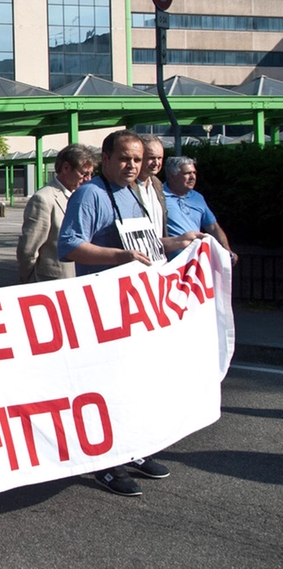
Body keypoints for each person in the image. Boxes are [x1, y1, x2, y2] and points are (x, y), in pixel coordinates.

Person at [58, 129, 202, 497]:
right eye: (124, 158)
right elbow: (70, 245)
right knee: (107, 388)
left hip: (134, 311)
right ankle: (106, 462)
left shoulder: (135, 193)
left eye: (137, 160)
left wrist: (180, 243)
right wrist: (119, 258)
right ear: (104, 159)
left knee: (136, 384)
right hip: (101, 311)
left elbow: (144, 246)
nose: (133, 165)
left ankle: (134, 448)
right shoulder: (91, 194)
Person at [16, 144, 94, 283]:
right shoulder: (43, 199)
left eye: (90, 174)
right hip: (53, 280)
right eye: (84, 174)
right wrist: (28, 277)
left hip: (82, 277)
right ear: (65, 168)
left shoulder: (83, 196)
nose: (88, 179)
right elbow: (29, 248)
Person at [164, 156, 236, 264]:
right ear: (172, 176)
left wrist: (227, 250)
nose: (193, 177)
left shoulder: (197, 198)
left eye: (194, 172)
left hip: (197, 262)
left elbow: (213, 227)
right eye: (187, 173)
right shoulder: (158, 195)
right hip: (170, 265)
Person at [136, 135, 169, 234]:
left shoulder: (157, 184)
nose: (156, 162)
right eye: (151, 158)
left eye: (159, 158)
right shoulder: (126, 186)